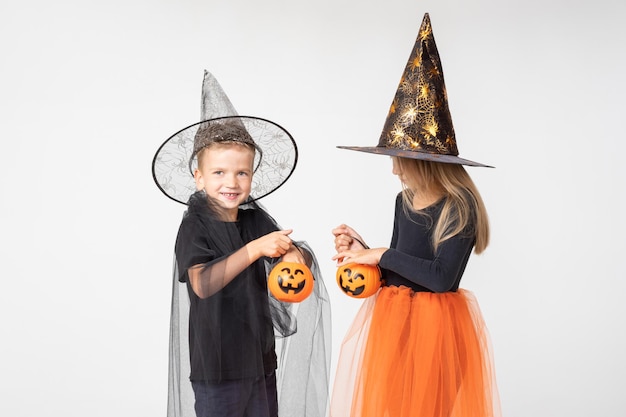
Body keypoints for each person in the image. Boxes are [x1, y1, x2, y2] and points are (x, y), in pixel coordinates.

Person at [329, 13, 501, 417]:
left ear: (423, 162)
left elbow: (441, 279)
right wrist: (365, 252)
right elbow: (399, 269)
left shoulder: (460, 207)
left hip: (436, 335)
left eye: (398, 161)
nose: (393, 170)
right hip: (394, 326)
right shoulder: (403, 201)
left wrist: (382, 254)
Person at [152, 71, 330, 417]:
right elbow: (202, 284)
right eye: (219, 173)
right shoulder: (195, 225)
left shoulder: (252, 218)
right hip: (218, 368)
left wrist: (293, 254)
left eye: (241, 173)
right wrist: (253, 251)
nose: (231, 182)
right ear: (199, 177)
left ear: (251, 174)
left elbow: (286, 246)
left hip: (259, 360)